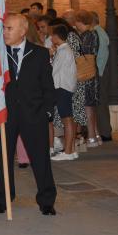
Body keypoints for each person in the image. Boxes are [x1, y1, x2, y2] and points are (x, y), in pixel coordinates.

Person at [0, 14, 56, 216]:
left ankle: (46, 200)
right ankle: (3, 199)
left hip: (33, 113)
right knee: (3, 158)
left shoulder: (40, 54)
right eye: (3, 28)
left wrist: (46, 112)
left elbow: (48, 86)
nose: (4, 32)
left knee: (40, 159)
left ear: (23, 30)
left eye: (9, 28)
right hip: (5, 114)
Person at [50, 25, 78, 161]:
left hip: (62, 87)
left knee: (66, 119)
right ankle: (71, 150)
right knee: (69, 119)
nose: (51, 37)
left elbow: (54, 71)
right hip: (66, 87)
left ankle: (67, 152)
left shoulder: (63, 51)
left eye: (52, 35)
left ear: (56, 36)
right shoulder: (65, 50)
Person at [74, 10, 100, 147]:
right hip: (91, 72)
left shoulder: (86, 35)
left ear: (79, 21)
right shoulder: (93, 33)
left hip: (85, 74)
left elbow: (81, 53)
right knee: (91, 105)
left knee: (88, 106)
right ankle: (95, 135)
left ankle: (91, 138)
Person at [91, 11, 112, 142]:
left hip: (100, 72)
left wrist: (98, 73)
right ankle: (105, 131)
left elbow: (100, 56)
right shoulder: (101, 32)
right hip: (102, 71)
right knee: (101, 103)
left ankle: (105, 133)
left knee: (101, 103)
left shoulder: (96, 33)